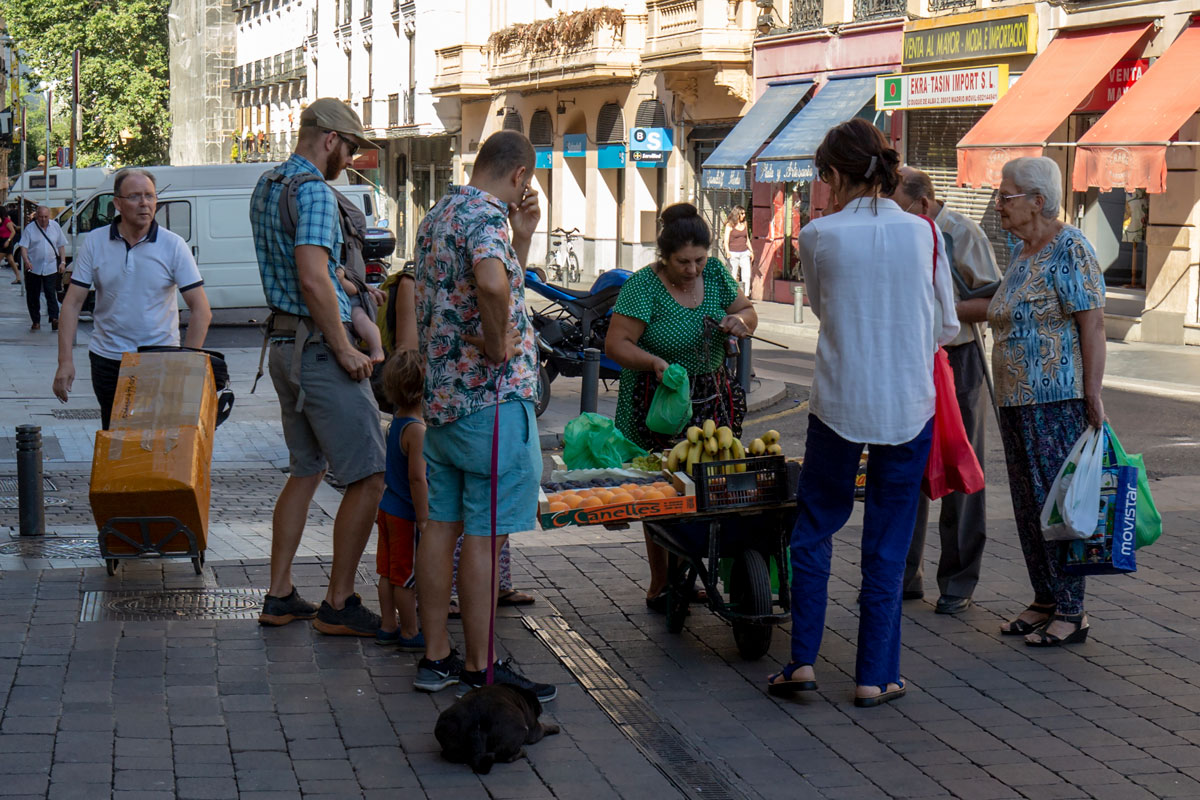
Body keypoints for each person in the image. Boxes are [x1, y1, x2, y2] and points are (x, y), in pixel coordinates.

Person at [766, 119, 959, 707]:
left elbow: (825, 309)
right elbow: (945, 324)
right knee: (888, 536)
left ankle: (801, 662)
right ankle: (876, 675)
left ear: (830, 175)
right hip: (908, 403)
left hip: (840, 401)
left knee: (816, 527)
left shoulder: (817, 236)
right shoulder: (926, 233)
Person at [411, 129, 553, 702]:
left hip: (442, 402)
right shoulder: (486, 217)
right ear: (519, 176)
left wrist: (523, 237)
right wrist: (498, 344)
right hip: (491, 401)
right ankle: (480, 665)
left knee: (440, 527)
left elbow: (484, 281)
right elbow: (493, 284)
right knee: (486, 538)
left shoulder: (438, 213)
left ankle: (435, 657)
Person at [249, 97, 386, 636]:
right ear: (330, 139)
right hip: (317, 350)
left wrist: (351, 295)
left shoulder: (269, 184)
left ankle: (279, 593)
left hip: (283, 344)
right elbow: (311, 276)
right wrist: (347, 344)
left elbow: (318, 271)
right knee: (371, 476)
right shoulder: (314, 193)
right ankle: (339, 601)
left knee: (305, 471)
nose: (350, 159)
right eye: (350, 147)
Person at [605, 203, 757, 610]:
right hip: (659, 399)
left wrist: (741, 324)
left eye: (700, 260)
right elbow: (616, 344)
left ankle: (691, 571)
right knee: (663, 492)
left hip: (712, 396)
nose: (692, 270)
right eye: (683, 262)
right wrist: (654, 363)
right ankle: (663, 582)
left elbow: (745, 309)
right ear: (665, 257)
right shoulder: (643, 286)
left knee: (711, 485)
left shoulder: (715, 276)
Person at [989, 157, 1106, 648]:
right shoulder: (1021, 252)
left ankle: (1072, 609)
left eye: (1006, 195)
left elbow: (1092, 324)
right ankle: (1044, 598)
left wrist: (1093, 394)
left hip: (1056, 399)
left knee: (1057, 505)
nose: (999, 204)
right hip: (1015, 400)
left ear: (1038, 201)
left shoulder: (1070, 247)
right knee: (1026, 504)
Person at [888, 167, 1001, 616]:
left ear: (922, 202)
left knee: (962, 468)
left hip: (958, 358)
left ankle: (958, 579)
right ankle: (905, 573)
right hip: (909, 356)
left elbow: (995, 299)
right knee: (905, 463)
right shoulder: (897, 231)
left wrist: (943, 308)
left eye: (896, 204)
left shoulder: (960, 232)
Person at [52, 169, 213, 430]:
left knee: (155, 442)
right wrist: (65, 361)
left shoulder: (173, 245)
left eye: (150, 196)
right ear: (117, 203)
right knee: (116, 439)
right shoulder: (95, 242)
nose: (144, 203)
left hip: (159, 359)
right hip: (108, 359)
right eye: (135, 196)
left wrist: (185, 365)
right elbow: (71, 304)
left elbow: (202, 311)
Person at [374, 349, 427, 651]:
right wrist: (423, 517)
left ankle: (387, 625)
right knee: (406, 576)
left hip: (387, 509)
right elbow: (418, 478)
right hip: (406, 514)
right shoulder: (417, 431)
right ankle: (409, 630)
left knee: (387, 571)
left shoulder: (396, 422)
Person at [17, 205, 67, 331]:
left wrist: (63, 262)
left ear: (49, 216)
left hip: (50, 267)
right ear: (37, 216)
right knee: (33, 295)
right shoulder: (30, 229)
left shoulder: (55, 227)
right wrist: (26, 261)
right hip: (34, 268)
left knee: (51, 293)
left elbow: (61, 245)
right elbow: (23, 247)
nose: (43, 219)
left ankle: (54, 318)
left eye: (46, 217)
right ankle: (36, 321)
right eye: (41, 217)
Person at [335, 264, 386, 363]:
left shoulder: (339, 268)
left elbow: (354, 289)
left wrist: (341, 281)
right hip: (335, 308)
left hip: (351, 302)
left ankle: (376, 349)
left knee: (361, 319)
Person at [722, 205, 752, 296]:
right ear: (737, 214)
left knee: (747, 274)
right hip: (733, 253)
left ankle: (746, 295)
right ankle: (732, 294)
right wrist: (727, 252)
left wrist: (751, 251)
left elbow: (747, 239)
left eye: (744, 213)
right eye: (742, 213)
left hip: (744, 252)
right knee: (733, 274)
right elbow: (726, 240)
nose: (744, 215)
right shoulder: (730, 225)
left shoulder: (744, 224)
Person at [1, 210, 19, 284]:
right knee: (11, 261)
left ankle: (18, 278)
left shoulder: (6, 221)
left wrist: (8, 240)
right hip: (2, 241)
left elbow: (13, 231)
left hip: (6, 242)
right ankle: (18, 278)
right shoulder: (2, 221)